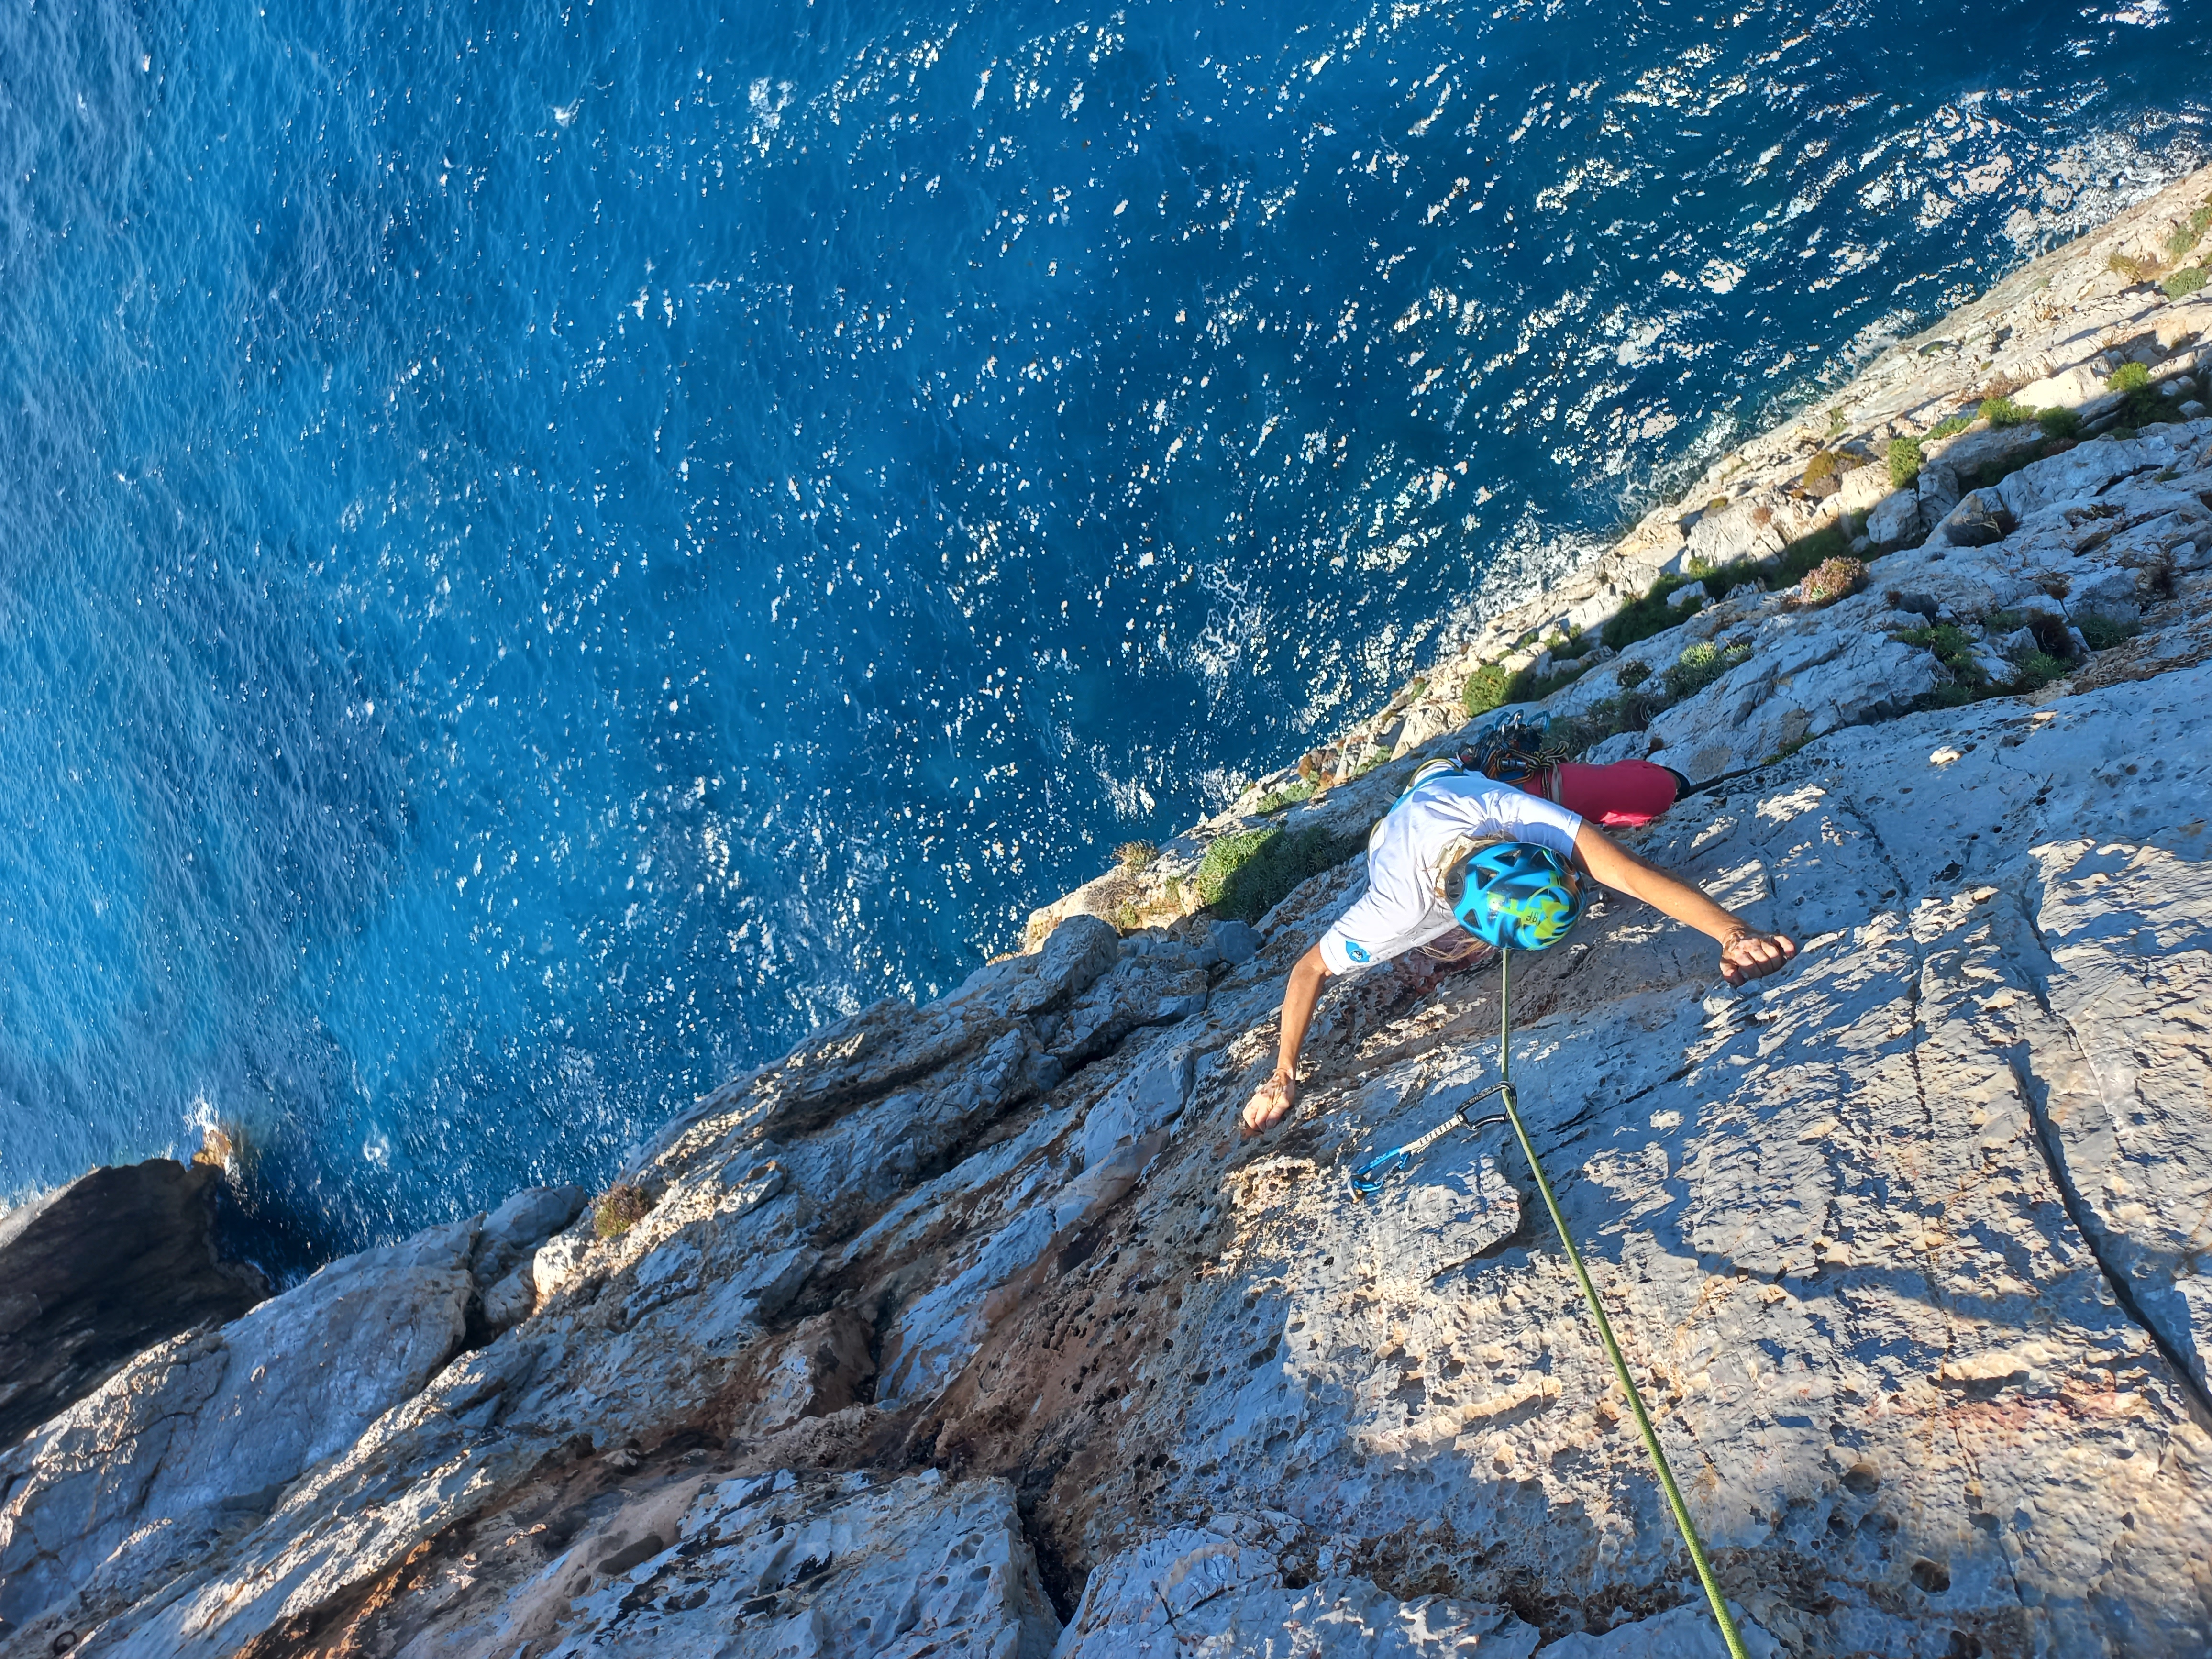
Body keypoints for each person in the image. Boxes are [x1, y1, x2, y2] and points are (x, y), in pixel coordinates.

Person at [1240, 757, 1796, 1135]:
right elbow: (1309, 970)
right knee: (1450, 953)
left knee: (1659, 790)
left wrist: (1732, 933)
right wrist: (1282, 1072)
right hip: (1408, 827)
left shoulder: (1515, 818)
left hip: (1473, 787)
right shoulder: (1395, 911)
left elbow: (1631, 873)